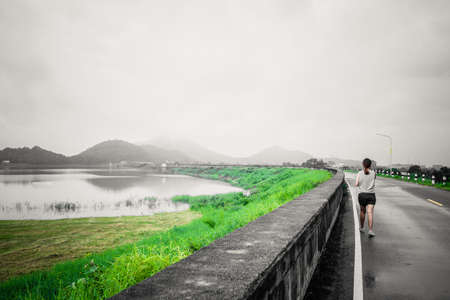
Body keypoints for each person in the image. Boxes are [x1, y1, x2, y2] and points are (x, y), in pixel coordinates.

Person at [355, 158, 377, 237]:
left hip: (362, 195)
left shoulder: (359, 173)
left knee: (362, 211)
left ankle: (362, 227)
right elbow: (372, 180)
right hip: (371, 195)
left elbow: (356, 184)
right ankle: (370, 230)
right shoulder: (374, 173)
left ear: (363, 164)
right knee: (370, 212)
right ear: (370, 165)